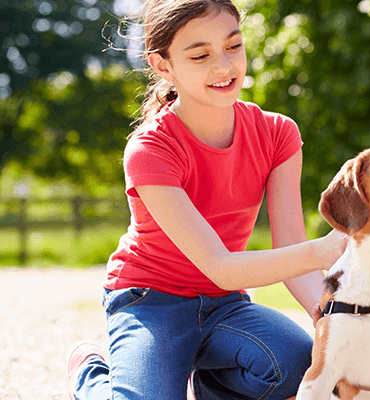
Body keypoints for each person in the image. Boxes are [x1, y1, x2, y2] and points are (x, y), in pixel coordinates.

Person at [65, 0, 345, 399]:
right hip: (149, 302)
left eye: (233, 46)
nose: (225, 67)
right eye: (200, 55)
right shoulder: (150, 149)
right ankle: (90, 375)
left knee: (298, 364)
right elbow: (221, 266)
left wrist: (331, 320)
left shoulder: (278, 134)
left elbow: (290, 248)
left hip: (225, 306)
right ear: (163, 65)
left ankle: (212, 385)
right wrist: (324, 251)